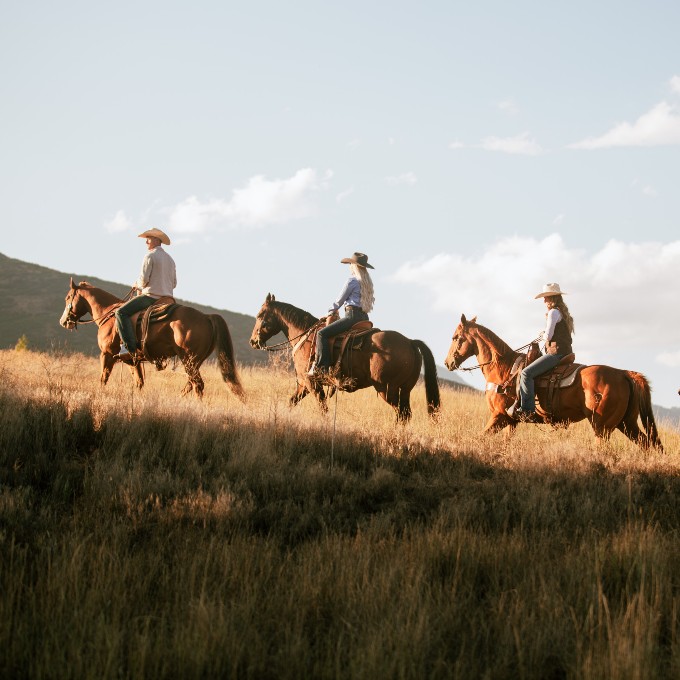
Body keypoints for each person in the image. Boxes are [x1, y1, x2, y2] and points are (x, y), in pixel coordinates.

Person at [510, 282, 574, 423]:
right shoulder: (562, 312)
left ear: (552, 298)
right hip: (565, 352)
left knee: (526, 373)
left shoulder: (553, 312)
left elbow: (549, 336)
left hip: (556, 354)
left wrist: (543, 334)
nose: (544, 301)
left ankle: (527, 410)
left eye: (546, 297)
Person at [308, 252, 375, 377]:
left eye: (350, 264)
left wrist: (330, 312)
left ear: (354, 266)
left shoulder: (352, 281)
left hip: (352, 317)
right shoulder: (368, 283)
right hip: (365, 318)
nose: (350, 266)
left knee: (322, 333)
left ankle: (321, 368)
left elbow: (339, 301)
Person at [115, 228, 177, 359]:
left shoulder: (149, 256)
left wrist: (136, 284)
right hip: (168, 299)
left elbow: (143, 280)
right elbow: (174, 283)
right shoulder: (171, 260)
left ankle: (129, 348)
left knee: (121, 312)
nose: (146, 242)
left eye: (148, 239)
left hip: (151, 297)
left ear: (156, 240)